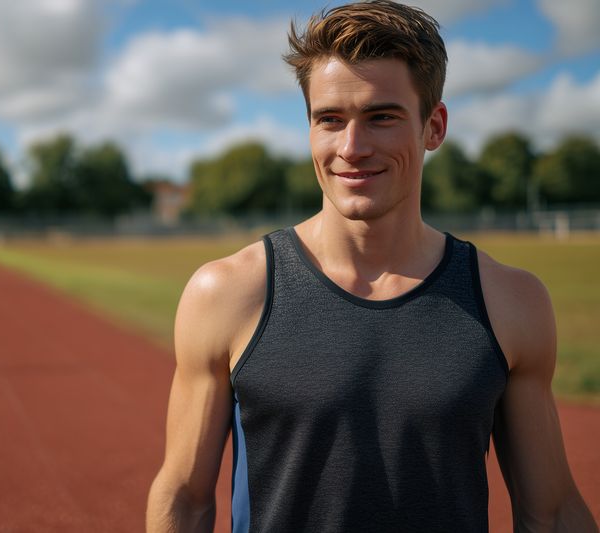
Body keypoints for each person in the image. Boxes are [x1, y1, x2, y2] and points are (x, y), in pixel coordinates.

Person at [146, 1, 598, 531]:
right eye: (330, 120)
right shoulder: (226, 292)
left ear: (434, 126)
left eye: (381, 116)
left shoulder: (511, 300)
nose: (352, 147)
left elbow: (551, 511)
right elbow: (184, 497)